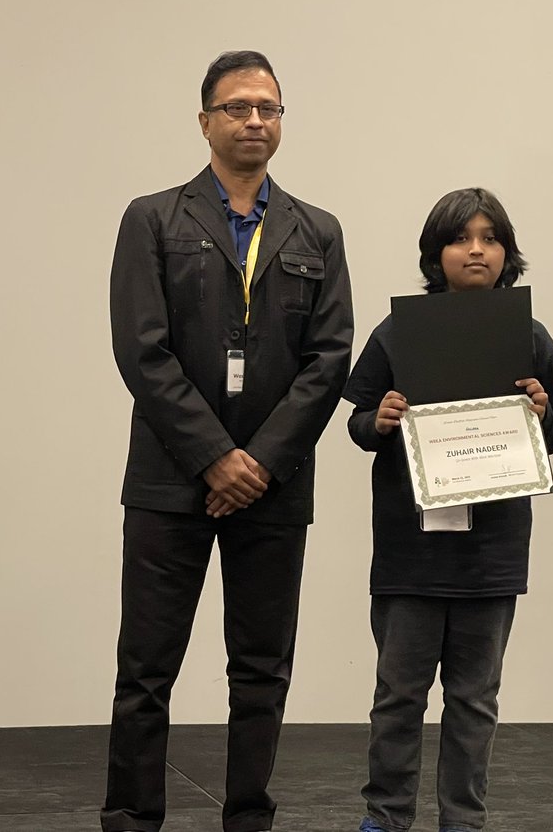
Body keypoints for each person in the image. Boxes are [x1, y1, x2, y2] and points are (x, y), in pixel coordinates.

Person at [104, 50, 354, 832]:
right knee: (145, 670)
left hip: (273, 486)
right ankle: (132, 818)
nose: (255, 120)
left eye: (269, 109)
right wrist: (216, 456)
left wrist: (259, 463)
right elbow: (142, 351)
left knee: (260, 671)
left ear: (281, 122)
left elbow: (329, 358)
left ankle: (249, 817)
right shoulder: (153, 218)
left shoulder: (318, 229)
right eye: (239, 106)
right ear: (206, 119)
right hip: (169, 479)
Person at [344, 188, 553, 832]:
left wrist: (540, 415)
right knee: (397, 698)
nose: (477, 250)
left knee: (475, 700)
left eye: (491, 238)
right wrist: (380, 419)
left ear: (508, 252)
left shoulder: (528, 336)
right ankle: (386, 818)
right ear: (435, 253)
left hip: (492, 552)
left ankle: (462, 822)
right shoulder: (399, 331)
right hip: (409, 549)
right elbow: (357, 422)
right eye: (461, 238)